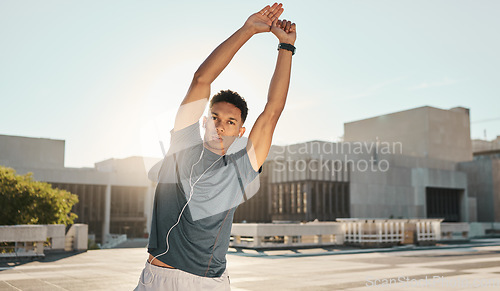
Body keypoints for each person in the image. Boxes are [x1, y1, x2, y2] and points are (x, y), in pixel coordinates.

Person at [135, 3, 296, 290]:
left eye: (231, 122)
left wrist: (286, 48)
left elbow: (273, 111)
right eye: (215, 117)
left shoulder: (241, 168)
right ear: (204, 121)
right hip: (153, 278)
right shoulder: (182, 146)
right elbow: (201, 79)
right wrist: (248, 29)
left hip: (203, 283)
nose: (220, 126)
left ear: (241, 131)